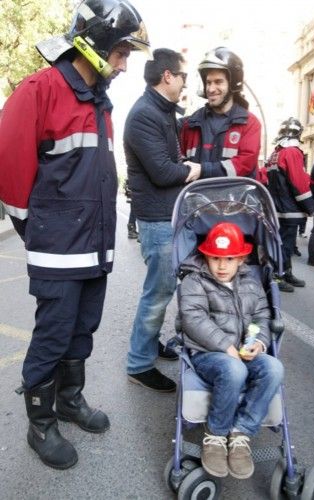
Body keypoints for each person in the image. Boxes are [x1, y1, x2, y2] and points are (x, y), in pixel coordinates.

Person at [0, 0, 149, 469]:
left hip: (94, 245)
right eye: (123, 52)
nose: (125, 64)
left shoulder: (98, 99)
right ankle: (40, 423)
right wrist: (37, 229)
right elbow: (10, 169)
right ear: (98, 43)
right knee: (53, 333)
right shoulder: (39, 89)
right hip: (59, 247)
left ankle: (70, 400)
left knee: (82, 328)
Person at [179, 222, 284, 479]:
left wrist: (258, 343)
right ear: (205, 256)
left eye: (229, 259)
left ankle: (241, 433)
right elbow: (193, 319)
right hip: (208, 353)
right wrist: (226, 347)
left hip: (243, 351)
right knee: (234, 368)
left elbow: (261, 315)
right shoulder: (194, 281)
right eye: (215, 258)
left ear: (241, 259)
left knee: (274, 367)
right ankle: (216, 435)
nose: (222, 266)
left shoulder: (251, 281)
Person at [124, 48, 201, 392]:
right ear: (167, 76)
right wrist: (192, 169)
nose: (186, 83)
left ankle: (149, 343)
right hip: (156, 219)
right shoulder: (144, 114)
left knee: (160, 289)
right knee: (158, 292)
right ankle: (139, 364)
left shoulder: (162, 112)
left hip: (164, 216)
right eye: (184, 76)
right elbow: (162, 170)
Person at [179, 46, 261, 180]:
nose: (211, 89)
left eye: (218, 82)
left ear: (233, 83)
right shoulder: (190, 124)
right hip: (196, 200)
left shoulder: (249, 123)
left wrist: (203, 170)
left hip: (235, 200)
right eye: (208, 82)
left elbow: (245, 164)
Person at [266, 117, 314, 292]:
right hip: (289, 209)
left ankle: (286, 273)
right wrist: (310, 207)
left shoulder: (276, 152)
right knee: (284, 244)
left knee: (283, 242)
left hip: (278, 208)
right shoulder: (292, 152)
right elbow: (299, 182)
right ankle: (278, 277)